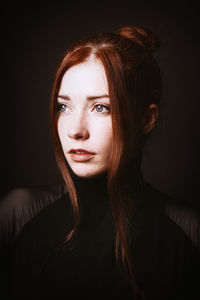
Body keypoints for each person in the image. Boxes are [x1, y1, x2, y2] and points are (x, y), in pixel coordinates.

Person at [0, 25, 199, 300]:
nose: (75, 130)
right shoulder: (17, 216)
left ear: (146, 119)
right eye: (63, 106)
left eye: (101, 107)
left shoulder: (189, 233)